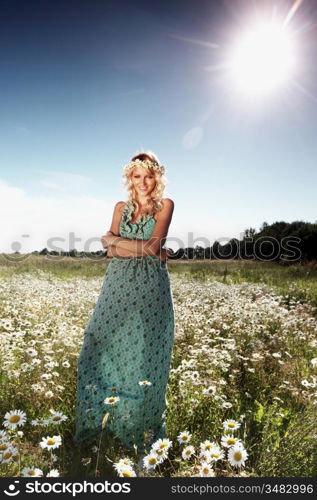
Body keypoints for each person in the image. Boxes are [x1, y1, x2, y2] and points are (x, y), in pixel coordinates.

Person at [74, 150, 175, 455]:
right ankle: (96, 425)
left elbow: (152, 246)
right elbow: (110, 253)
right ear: (129, 178)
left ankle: (135, 430)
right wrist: (139, 248)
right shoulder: (120, 207)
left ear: (156, 178)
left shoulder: (165, 206)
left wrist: (114, 241)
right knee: (94, 345)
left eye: (148, 176)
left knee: (143, 356)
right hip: (116, 286)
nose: (142, 182)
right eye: (136, 176)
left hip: (150, 289)